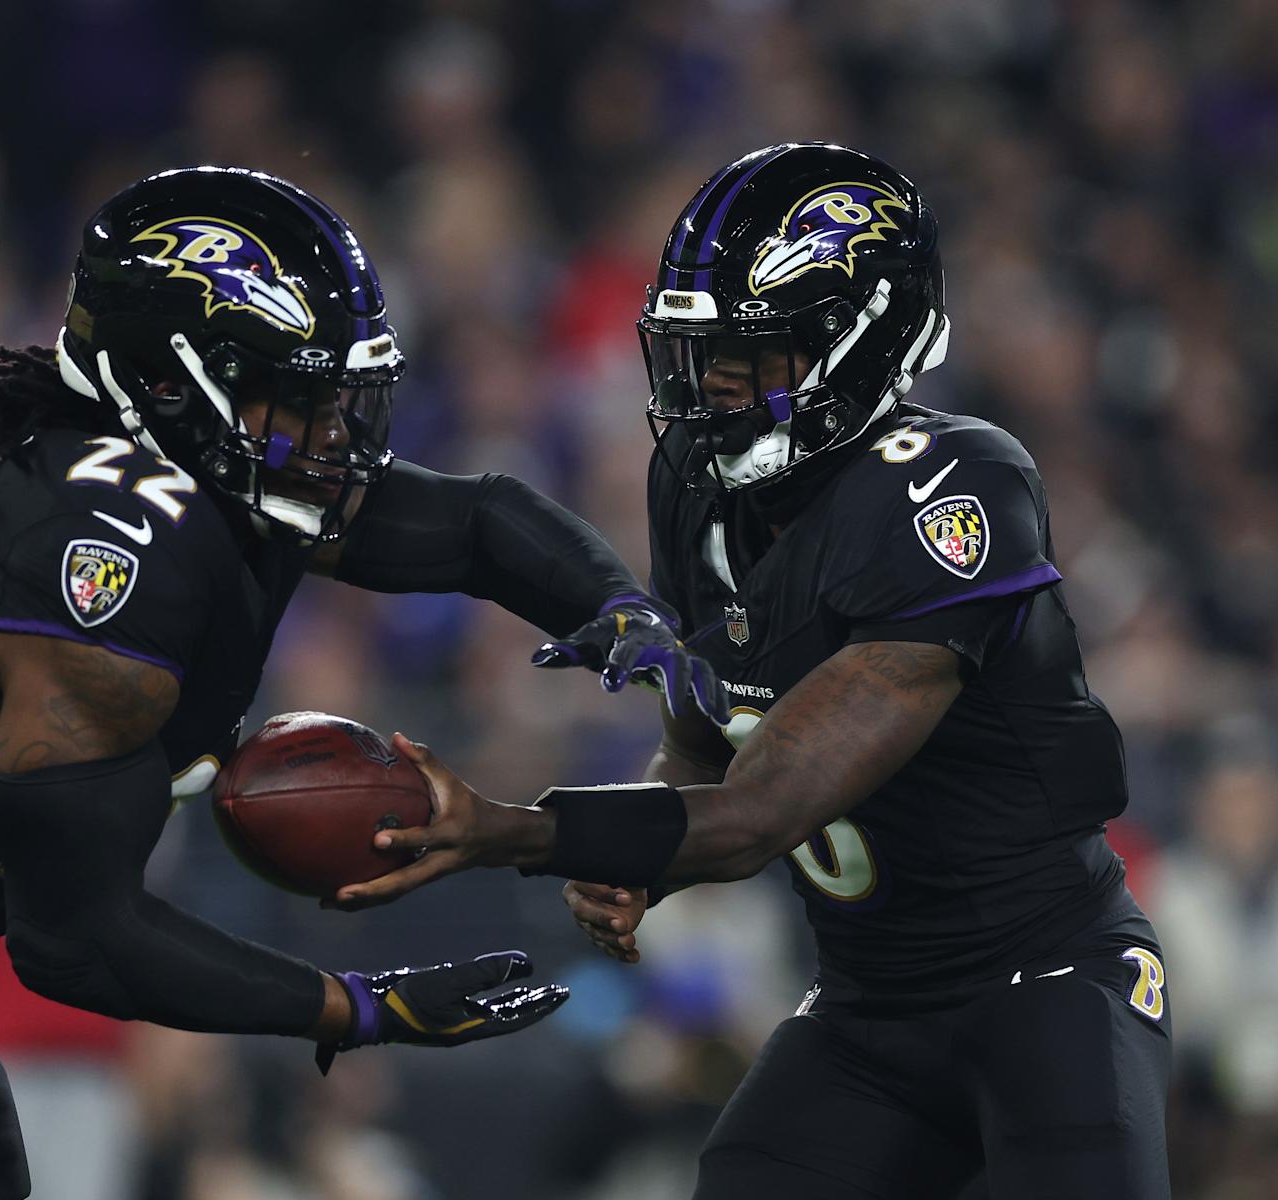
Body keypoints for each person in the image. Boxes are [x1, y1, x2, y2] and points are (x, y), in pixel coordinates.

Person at [0, 165, 726, 1200]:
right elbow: (77, 940)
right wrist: (356, 1007)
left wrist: (622, 608)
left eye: (342, 399)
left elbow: (477, 520)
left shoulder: (203, 476)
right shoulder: (111, 560)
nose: (334, 437)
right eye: (297, 402)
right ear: (167, 385)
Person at [333, 143, 1173, 1199]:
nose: (712, 386)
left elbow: (764, 806)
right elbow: (705, 738)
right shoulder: (700, 488)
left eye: (750, 355)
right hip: (870, 1005)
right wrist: (643, 848)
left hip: (1048, 979)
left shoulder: (954, 485)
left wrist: (507, 830)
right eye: (698, 352)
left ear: (859, 345)